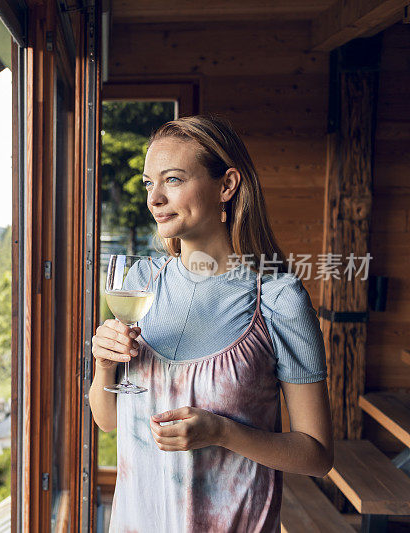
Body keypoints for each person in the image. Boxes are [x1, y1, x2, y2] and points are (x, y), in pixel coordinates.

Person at [88, 115, 334, 532]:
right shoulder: (141, 284)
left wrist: (222, 432)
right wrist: (104, 364)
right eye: (150, 183)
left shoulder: (276, 300)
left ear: (227, 185)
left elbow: (317, 456)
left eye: (174, 179)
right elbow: (109, 421)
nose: (155, 198)